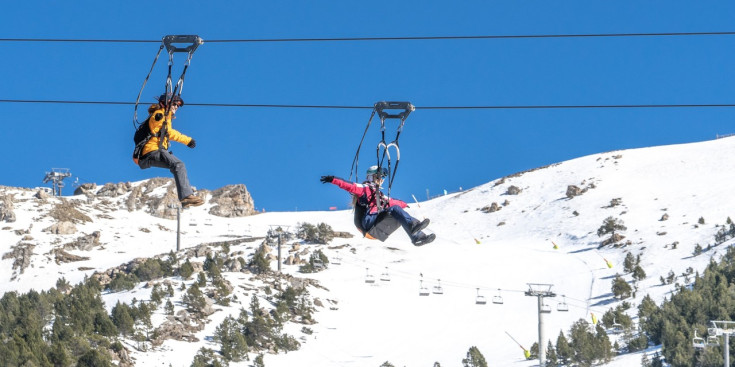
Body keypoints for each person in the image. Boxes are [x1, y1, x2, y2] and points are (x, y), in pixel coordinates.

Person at [320, 165, 434, 246]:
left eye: (382, 178)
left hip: (376, 227)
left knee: (398, 213)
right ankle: (413, 226)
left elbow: (393, 201)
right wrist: (333, 179)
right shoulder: (364, 188)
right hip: (368, 223)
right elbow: (349, 186)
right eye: (379, 177)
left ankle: (417, 238)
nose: (381, 180)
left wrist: (405, 205)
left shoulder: (379, 194)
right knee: (395, 210)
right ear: (371, 177)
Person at [136, 93, 203, 208]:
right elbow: (164, 128)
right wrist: (187, 140)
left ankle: (185, 198)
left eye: (178, 105)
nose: (176, 107)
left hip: (151, 153)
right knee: (178, 165)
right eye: (175, 104)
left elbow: (168, 132)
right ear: (167, 103)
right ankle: (186, 196)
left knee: (177, 165)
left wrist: (187, 140)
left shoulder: (165, 117)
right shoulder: (159, 114)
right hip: (153, 151)